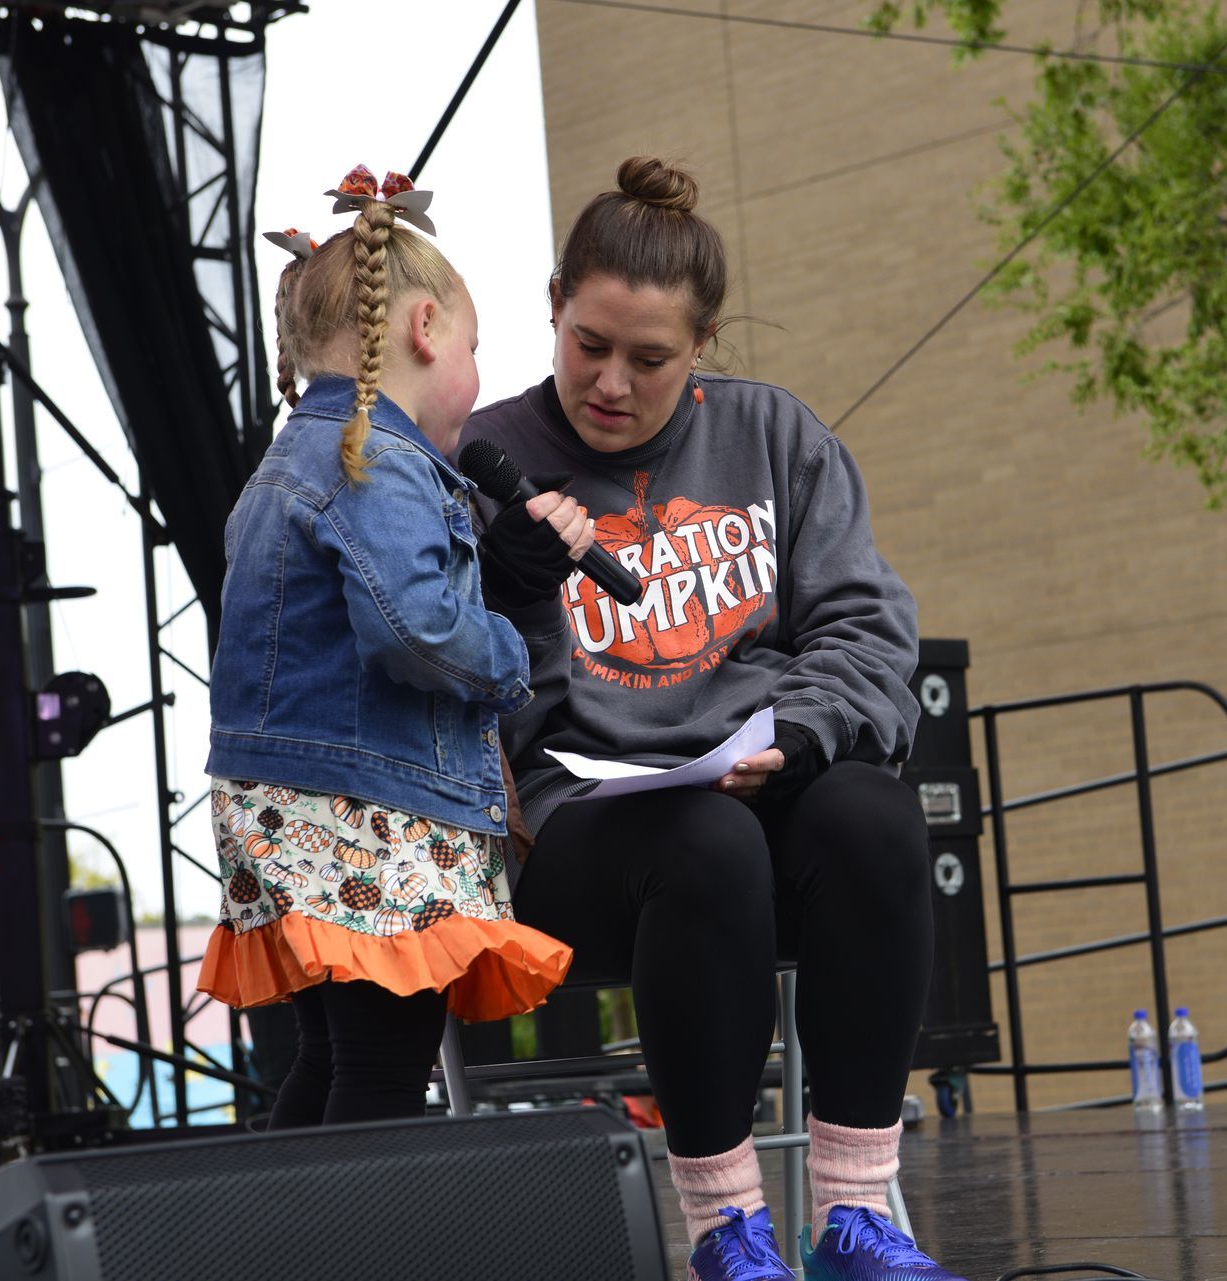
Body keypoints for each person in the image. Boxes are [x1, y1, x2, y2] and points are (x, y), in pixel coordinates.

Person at [460, 157, 961, 1281]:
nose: (610, 384)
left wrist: (802, 735)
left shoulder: (775, 438)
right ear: (554, 306)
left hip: (753, 778)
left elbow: (870, 630)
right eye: (589, 345)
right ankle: (727, 1233)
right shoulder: (478, 460)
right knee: (703, 842)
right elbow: (418, 661)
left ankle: (854, 1219)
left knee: (876, 819)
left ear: (705, 347)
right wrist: (498, 587)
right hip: (573, 821)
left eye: (650, 360)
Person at [196, 166, 589, 1129]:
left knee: (335, 1060)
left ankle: (276, 1253)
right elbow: (416, 629)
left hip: (291, 806)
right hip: (370, 814)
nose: (477, 375)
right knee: (378, 1073)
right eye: (474, 346)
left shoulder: (289, 462)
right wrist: (513, 653)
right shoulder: (380, 460)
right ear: (423, 330)